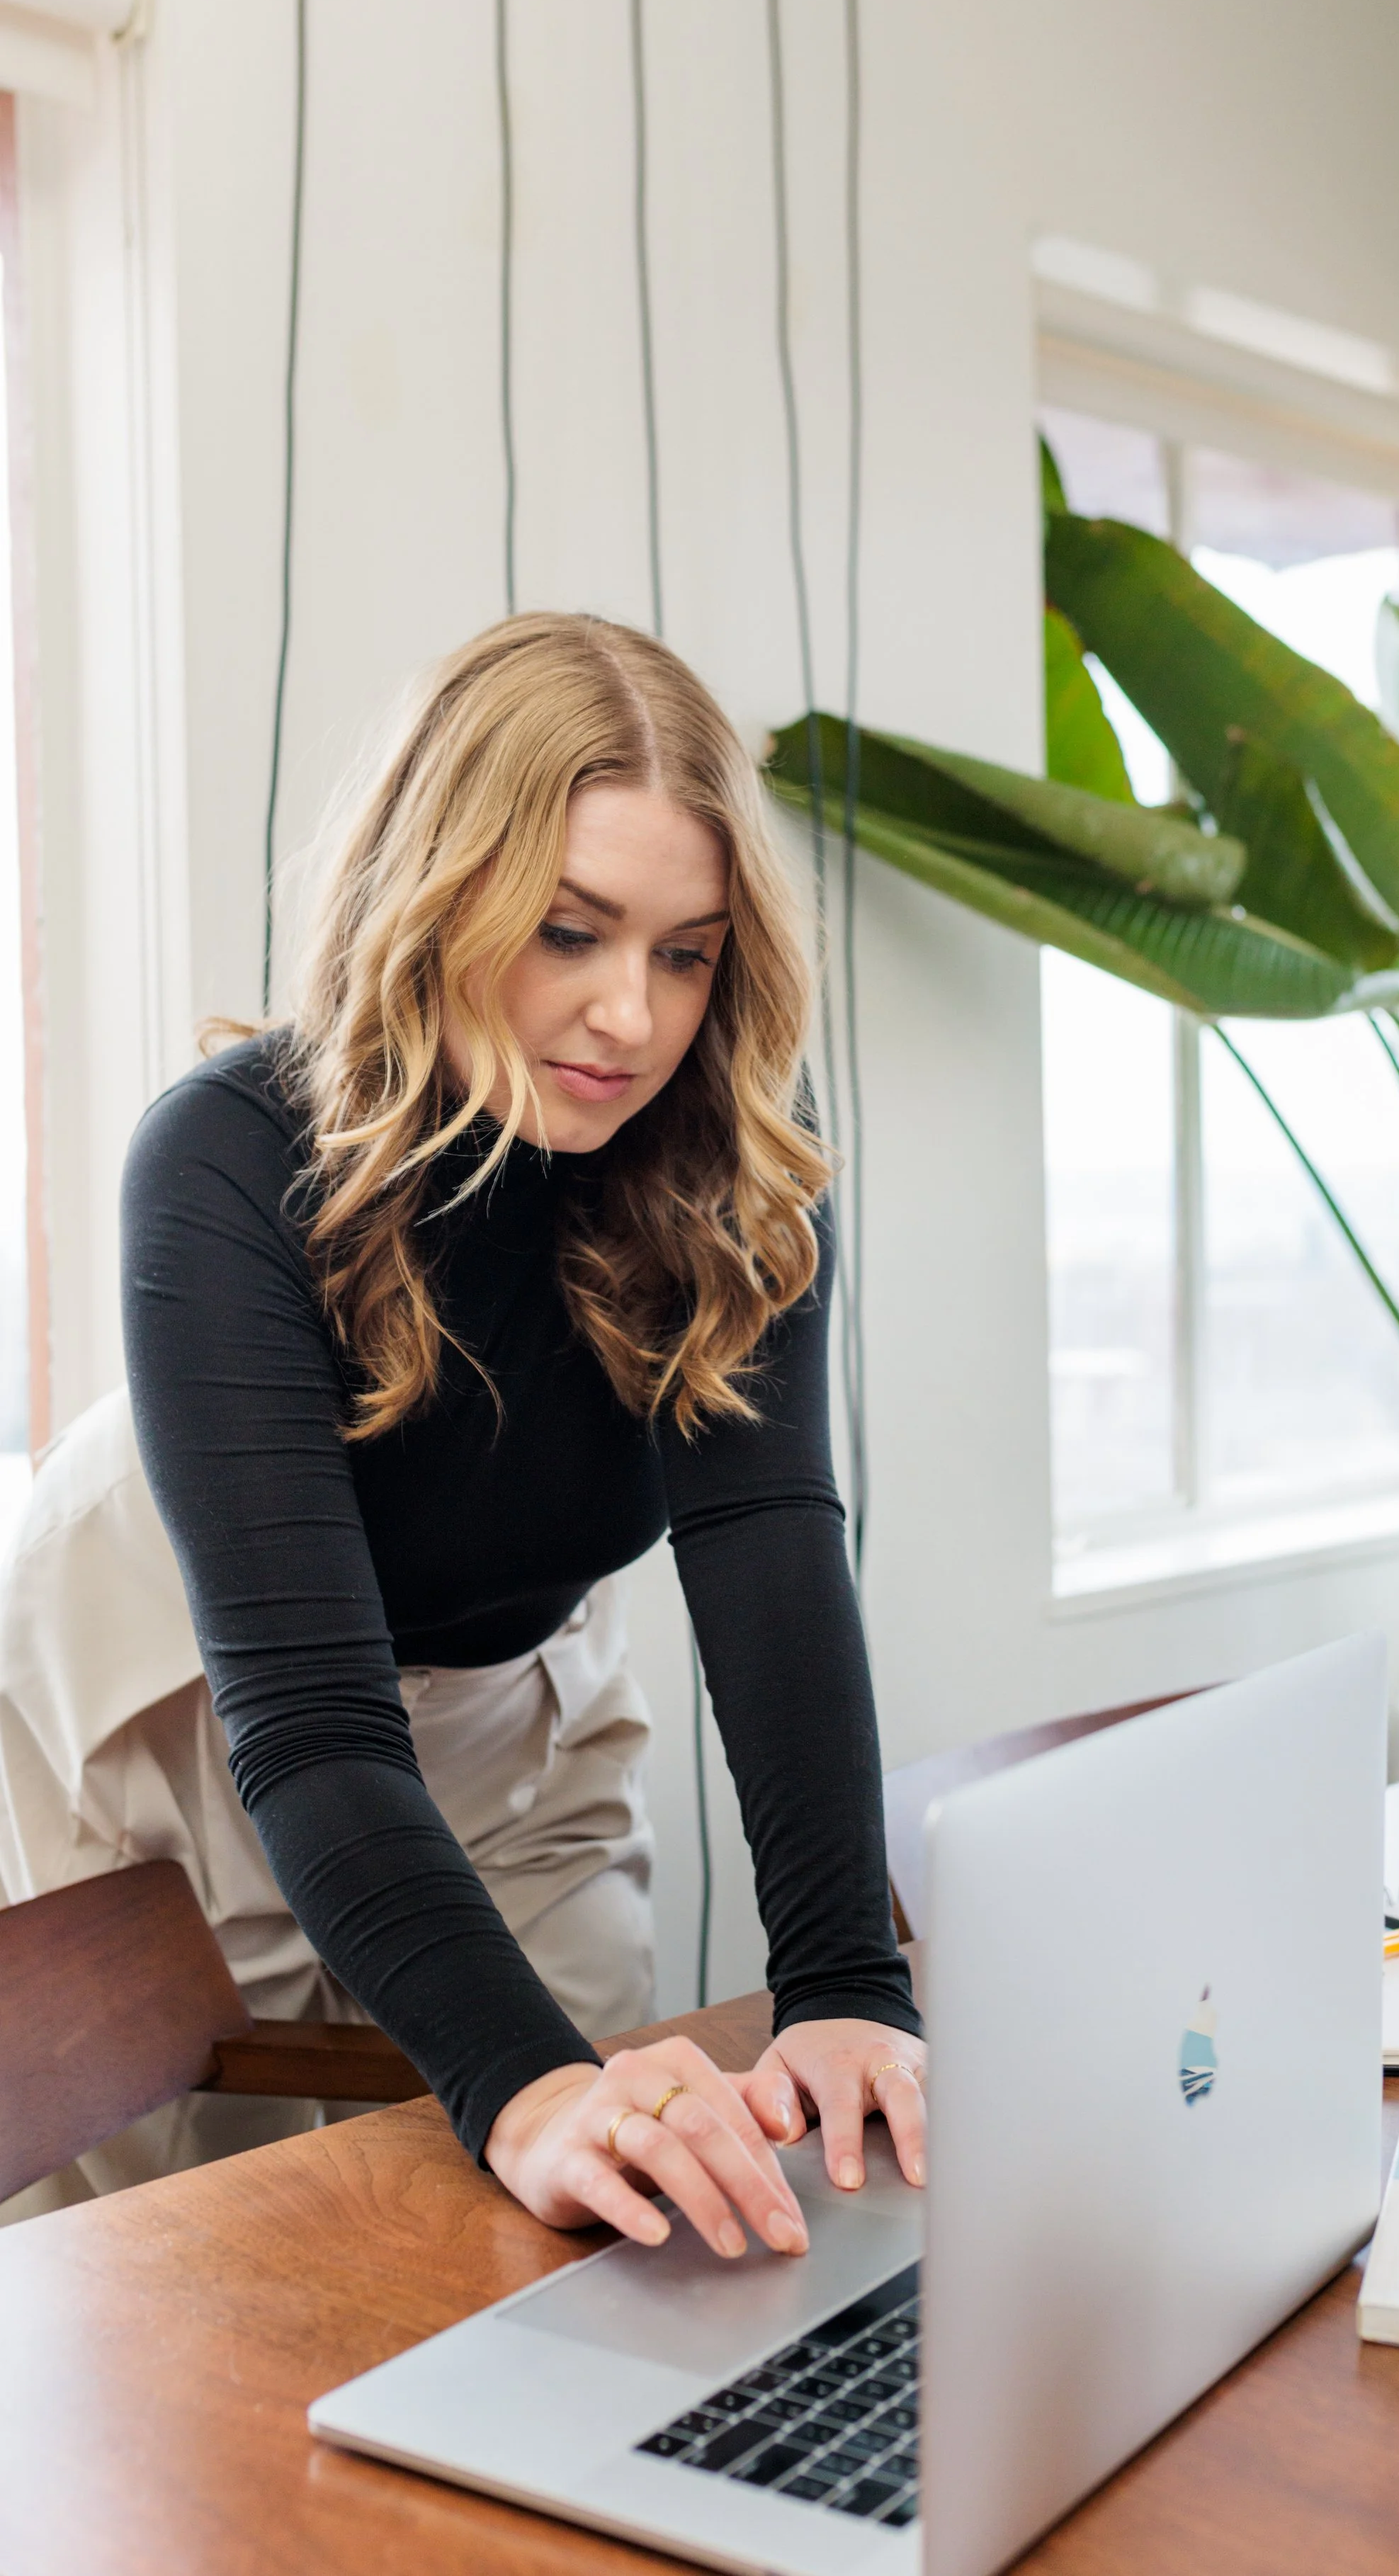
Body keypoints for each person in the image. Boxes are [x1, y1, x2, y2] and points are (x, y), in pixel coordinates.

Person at [16, 612, 925, 2252]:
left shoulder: (739, 1192)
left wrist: (848, 1990)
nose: (629, 1018)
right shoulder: (227, 1165)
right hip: (155, 1696)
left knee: (587, 2209)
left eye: (683, 951)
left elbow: (773, 1564)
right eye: (568, 931)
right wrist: (519, 2085)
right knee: (196, 2236)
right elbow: (305, 1715)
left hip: (501, 1696)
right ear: (438, 891)